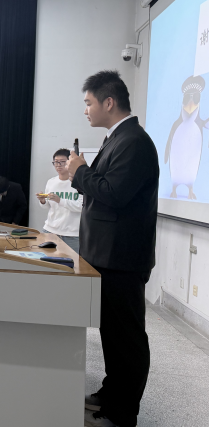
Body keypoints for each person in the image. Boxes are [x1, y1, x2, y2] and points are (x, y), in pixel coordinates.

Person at [66, 71, 159, 427]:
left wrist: (80, 171)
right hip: (106, 256)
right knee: (112, 334)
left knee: (127, 338)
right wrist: (81, 174)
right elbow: (103, 188)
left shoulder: (134, 142)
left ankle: (122, 414)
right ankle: (111, 393)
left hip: (122, 258)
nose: (86, 110)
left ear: (108, 102)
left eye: (89, 103)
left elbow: (113, 193)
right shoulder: (116, 139)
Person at [36, 148, 83, 253]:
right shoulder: (51, 182)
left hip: (72, 233)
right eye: (56, 162)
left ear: (70, 162)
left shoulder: (79, 183)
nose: (58, 165)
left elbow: (81, 206)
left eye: (62, 162)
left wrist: (60, 200)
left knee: (73, 261)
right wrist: (43, 201)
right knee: (44, 259)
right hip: (50, 230)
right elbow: (48, 206)